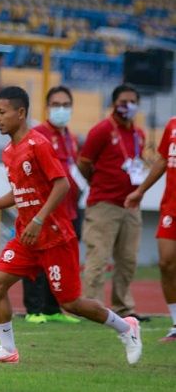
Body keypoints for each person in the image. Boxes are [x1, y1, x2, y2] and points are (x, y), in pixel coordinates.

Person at [0, 86, 142, 365]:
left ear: (20, 113)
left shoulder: (38, 145)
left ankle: (127, 327)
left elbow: (61, 185)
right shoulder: (9, 151)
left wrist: (38, 220)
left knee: (70, 303)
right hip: (27, 237)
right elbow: (19, 192)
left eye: (1, 112)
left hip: (54, 236)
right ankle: (7, 349)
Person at [78, 84, 148, 321]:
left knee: (127, 260)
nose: (127, 105)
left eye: (132, 101)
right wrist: (97, 183)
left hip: (130, 205)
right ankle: (92, 307)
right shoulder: (102, 130)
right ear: (114, 103)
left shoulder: (139, 134)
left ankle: (123, 308)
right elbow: (84, 162)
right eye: (123, 101)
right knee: (98, 256)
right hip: (104, 204)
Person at [22, 86, 82, 324]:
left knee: (60, 261)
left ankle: (53, 308)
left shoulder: (71, 137)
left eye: (66, 105)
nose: (62, 109)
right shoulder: (38, 134)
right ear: (47, 107)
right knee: (37, 259)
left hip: (67, 210)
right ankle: (34, 310)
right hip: (44, 209)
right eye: (57, 105)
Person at [124, 116, 176, 342]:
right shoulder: (172, 124)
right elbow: (163, 160)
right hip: (171, 207)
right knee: (166, 263)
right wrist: (141, 190)